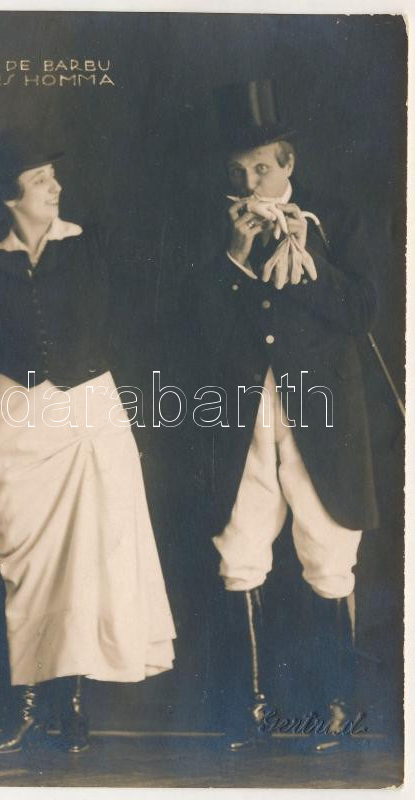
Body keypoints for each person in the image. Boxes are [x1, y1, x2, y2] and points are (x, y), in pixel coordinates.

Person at [0, 127, 176, 754]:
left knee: (89, 564)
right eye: (40, 180)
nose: (55, 186)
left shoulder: (94, 245)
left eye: (53, 176)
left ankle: (71, 711)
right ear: (9, 195)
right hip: (15, 420)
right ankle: (30, 709)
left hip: (89, 415)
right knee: (27, 568)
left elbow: (139, 319)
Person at [167, 80, 379, 750]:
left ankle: (339, 708)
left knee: (328, 546)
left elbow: (361, 313)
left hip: (320, 413)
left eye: (261, 167)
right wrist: (234, 259)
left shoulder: (335, 219)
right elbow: (191, 328)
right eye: (238, 171)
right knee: (240, 546)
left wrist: (310, 258)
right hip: (242, 414)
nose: (250, 182)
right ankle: (248, 709)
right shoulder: (213, 229)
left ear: (288, 162)